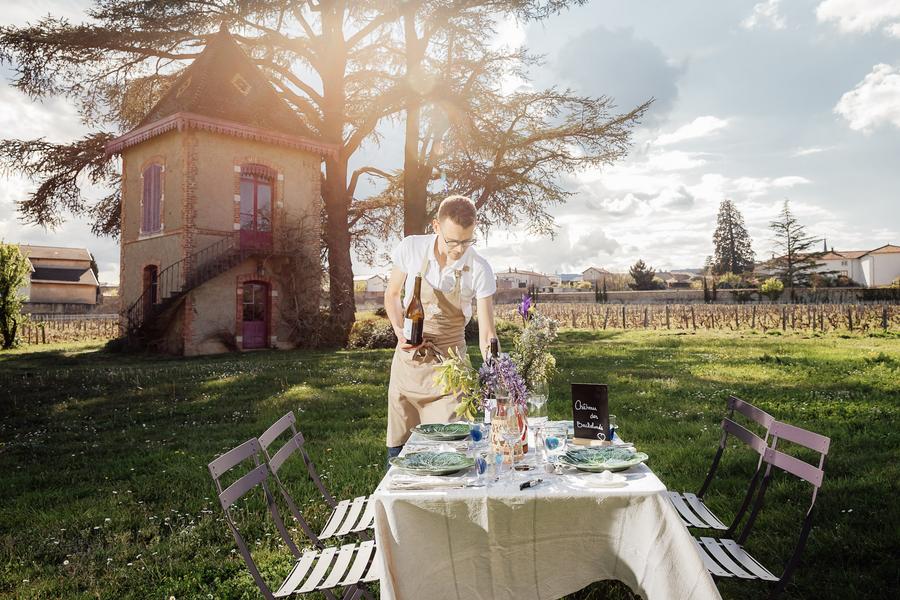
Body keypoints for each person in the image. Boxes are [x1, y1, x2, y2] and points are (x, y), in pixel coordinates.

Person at [384, 195, 497, 460]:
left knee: (450, 454)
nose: (459, 249)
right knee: (400, 453)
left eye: (467, 241)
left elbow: (487, 335)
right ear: (436, 226)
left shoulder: (479, 268)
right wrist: (400, 332)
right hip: (408, 369)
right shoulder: (412, 248)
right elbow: (392, 294)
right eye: (452, 241)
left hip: (450, 374)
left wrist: (497, 379)